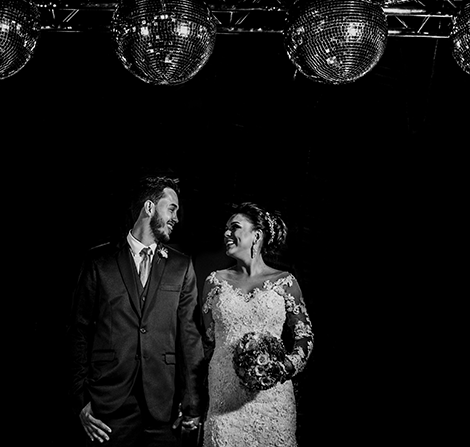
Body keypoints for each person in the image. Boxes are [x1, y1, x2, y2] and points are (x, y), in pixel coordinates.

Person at [69, 176, 205, 446]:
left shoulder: (181, 266)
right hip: (108, 404)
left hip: (163, 405)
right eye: (172, 208)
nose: (177, 217)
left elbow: (190, 336)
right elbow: (78, 330)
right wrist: (80, 399)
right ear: (149, 207)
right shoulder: (100, 261)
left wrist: (193, 404)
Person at [200, 203, 314, 447]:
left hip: (272, 398)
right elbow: (208, 340)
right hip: (223, 397)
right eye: (225, 229)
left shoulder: (285, 282)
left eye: (235, 228)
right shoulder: (214, 282)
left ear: (257, 235)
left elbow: (304, 337)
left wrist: (283, 367)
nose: (226, 233)